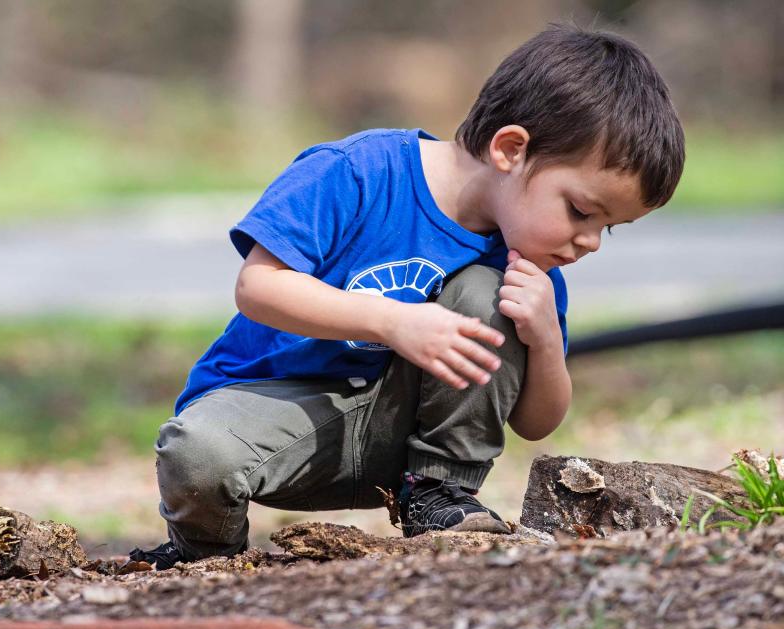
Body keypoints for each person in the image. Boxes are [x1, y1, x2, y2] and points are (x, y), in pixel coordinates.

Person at [128, 24, 685, 570]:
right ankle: (207, 556)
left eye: (608, 228)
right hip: (279, 416)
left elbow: (538, 423)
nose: (588, 242)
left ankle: (440, 496)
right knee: (196, 455)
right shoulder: (356, 173)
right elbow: (258, 288)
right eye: (582, 212)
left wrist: (542, 341)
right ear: (511, 149)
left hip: (403, 443)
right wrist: (393, 322)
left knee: (487, 294)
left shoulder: (523, 266)